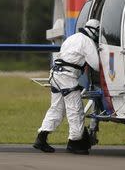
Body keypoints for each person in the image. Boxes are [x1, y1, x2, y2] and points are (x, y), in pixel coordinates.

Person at [34, 19, 100, 155]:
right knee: (75, 110)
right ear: (94, 32)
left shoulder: (72, 38)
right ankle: (74, 143)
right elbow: (96, 65)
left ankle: (41, 138)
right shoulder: (87, 42)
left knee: (56, 108)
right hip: (67, 77)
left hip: (55, 74)